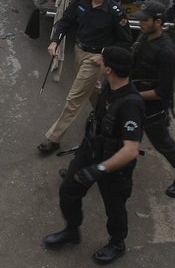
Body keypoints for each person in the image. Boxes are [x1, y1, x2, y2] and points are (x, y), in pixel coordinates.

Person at [43, 46, 144, 265]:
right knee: (68, 191)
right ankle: (72, 231)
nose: (97, 59)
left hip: (114, 167)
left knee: (115, 208)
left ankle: (117, 243)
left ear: (108, 69)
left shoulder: (130, 104)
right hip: (90, 152)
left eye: (102, 59)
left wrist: (99, 169)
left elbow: (131, 149)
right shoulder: (109, 86)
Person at [38, 0, 132, 154]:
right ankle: (109, 115)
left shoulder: (114, 11)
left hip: (96, 59)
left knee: (74, 99)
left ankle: (54, 138)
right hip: (79, 51)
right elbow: (66, 20)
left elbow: (126, 41)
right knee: (92, 89)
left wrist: (105, 56)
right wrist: (55, 41)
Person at [130, 2, 175, 198]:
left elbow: (163, 92)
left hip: (153, 108)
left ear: (158, 22)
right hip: (135, 98)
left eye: (145, 20)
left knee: (162, 143)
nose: (140, 22)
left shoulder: (166, 53)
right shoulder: (145, 36)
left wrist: (131, 94)